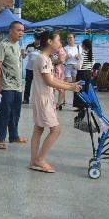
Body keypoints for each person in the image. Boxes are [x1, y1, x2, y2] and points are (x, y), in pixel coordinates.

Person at [29, 31, 82, 173]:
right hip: (43, 99)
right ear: (50, 42)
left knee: (39, 129)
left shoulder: (46, 58)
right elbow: (49, 82)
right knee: (56, 130)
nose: (60, 43)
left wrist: (70, 84)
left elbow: (52, 79)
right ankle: (40, 160)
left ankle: (34, 160)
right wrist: (70, 87)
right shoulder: (43, 59)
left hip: (43, 97)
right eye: (58, 40)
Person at [0, 21, 27, 150]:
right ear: (11, 31)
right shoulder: (3, 45)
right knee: (4, 113)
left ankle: (14, 136)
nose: (21, 33)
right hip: (6, 86)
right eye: (19, 30)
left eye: (22, 31)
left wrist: (21, 84)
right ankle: (0, 139)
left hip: (17, 86)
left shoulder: (17, 46)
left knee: (16, 113)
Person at [73, 39, 95, 114]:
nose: (81, 46)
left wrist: (74, 66)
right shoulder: (91, 54)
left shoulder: (82, 54)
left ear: (84, 46)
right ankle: (85, 106)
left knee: (79, 89)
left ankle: (80, 106)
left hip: (82, 73)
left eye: (82, 44)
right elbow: (93, 64)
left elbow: (79, 66)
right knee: (86, 90)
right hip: (88, 73)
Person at [22, 34, 40, 104]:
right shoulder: (29, 46)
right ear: (34, 38)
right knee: (28, 84)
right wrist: (22, 52)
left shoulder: (43, 47)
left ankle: (37, 100)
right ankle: (26, 99)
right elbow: (24, 56)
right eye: (37, 39)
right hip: (29, 68)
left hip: (38, 70)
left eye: (39, 39)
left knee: (38, 85)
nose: (38, 41)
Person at [63, 33, 80, 104]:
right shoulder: (65, 48)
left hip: (75, 66)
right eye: (68, 38)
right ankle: (63, 100)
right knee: (65, 84)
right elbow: (62, 59)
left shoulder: (78, 47)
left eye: (71, 37)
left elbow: (81, 58)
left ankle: (75, 101)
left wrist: (78, 57)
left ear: (74, 38)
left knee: (75, 84)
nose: (69, 39)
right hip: (67, 66)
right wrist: (67, 57)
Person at [51, 45, 67, 110]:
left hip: (59, 70)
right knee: (52, 88)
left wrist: (52, 62)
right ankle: (52, 103)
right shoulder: (51, 48)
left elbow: (61, 60)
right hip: (52, 70)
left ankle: (59, 104)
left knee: (60, 87)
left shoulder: (61, 50)